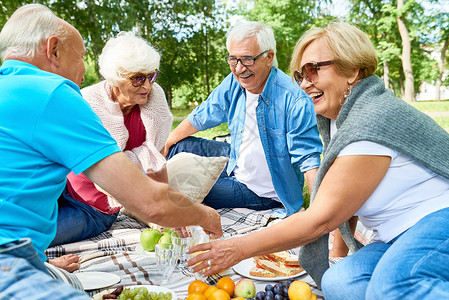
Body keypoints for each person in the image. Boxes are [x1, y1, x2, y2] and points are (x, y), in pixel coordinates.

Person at [187, 22, 449, 299]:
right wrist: (337, 254)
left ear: (352, 70)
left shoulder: (371, 120)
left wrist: (238, 247)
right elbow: (348, 194)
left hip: (437, 217)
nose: (303, 83)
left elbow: (321, 218)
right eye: (300, 74)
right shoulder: (339, 118)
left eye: (313, 70)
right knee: (338, 282)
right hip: (393, 236)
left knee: (393, 287)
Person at [0, 4, 222, 299]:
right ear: (53, 50)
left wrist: (41, 264)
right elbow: (149, 202)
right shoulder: (54, 93)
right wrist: (205, 216)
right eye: (80, 58)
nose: (83, 71)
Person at [163, 21, 322, 216]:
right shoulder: (235, 83)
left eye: (247, 59)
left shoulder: (294, 99)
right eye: (233, 59)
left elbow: (309, 160)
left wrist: (321, 215)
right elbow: (202, 115)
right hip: (235, 160)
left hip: (260, 192)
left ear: (268, 57)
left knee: (181, 187)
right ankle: (139, 183)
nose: (239, 69)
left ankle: (147, 190)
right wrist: (167, 142)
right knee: (176, 145)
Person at [50, 32, 173, 246]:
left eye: (151, 76)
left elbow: (156, 162)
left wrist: (165, 208)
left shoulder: (155, 105)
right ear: (116, 77)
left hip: (93, 207)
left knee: (33, 237)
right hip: (60, 186)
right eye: (137, 78)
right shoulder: (88, 102)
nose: (147, 86)